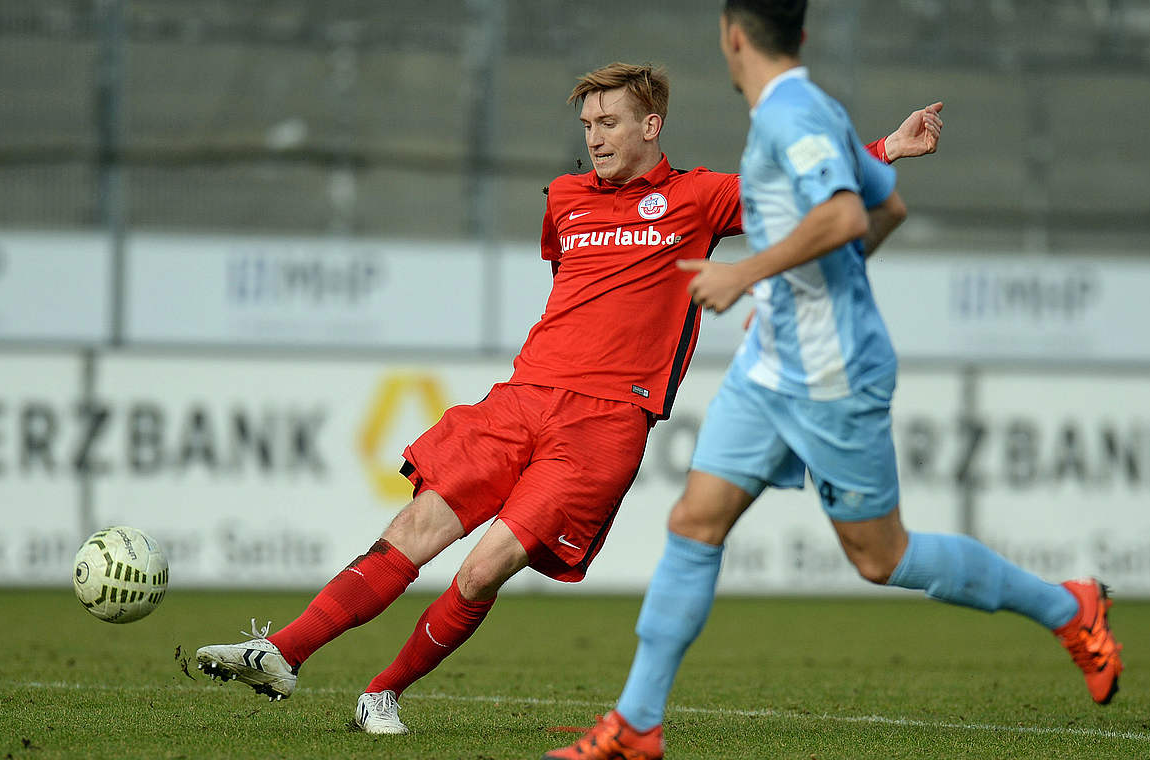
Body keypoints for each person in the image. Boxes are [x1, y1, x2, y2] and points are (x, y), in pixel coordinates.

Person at [195, 61, 943, 736]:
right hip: (520, 399)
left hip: (604, 426)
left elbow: (797, 190)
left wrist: (888, 149)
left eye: (608, 122)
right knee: (414, 527)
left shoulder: (700, 198)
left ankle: (382, 695)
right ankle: (281, 652)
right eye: (586, 124)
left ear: (651, 127)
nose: (594, 137)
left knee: (483, 570)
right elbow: (568, 287)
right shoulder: (563, 199)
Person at [543, 5, 1122, 759]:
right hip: (770, 365)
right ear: (802, 36)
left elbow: (848, 214)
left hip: (831, 372)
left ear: (733, 36)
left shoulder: (792, 112)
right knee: (694, 523)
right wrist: (790, 291)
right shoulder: (799, 109)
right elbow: (888, 202)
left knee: (880, 558)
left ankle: (1067, 607)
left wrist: (748, 274)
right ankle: (638, 725)